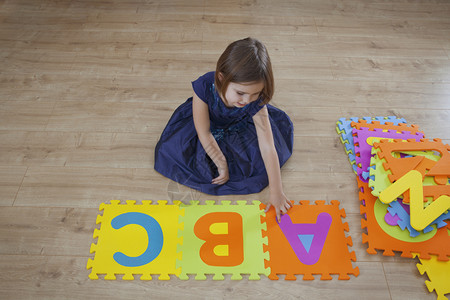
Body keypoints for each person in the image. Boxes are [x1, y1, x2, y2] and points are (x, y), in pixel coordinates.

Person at [154, 37, 294, 221]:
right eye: (240, 93)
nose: (246, 101)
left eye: (255, 94)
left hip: (240, 129)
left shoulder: (254, 102)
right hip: (206, 127)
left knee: (259, 162)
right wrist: (221, 163)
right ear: (221, 78)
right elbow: (203, 132)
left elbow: (268, 146)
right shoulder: (204, 86)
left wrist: (277, 191)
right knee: (182, 154)